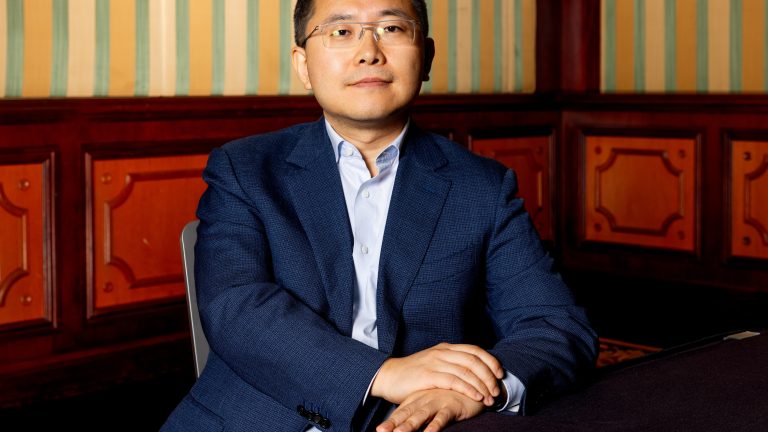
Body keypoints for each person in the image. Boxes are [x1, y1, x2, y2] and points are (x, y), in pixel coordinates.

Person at [162, 0, 597, 431]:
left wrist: (471, 389)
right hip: (256, 418)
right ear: (303, 65)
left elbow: (555, 327)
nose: (369, 50)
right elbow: (235, 307)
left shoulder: (482, 187)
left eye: (391, 28)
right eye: (341, 32)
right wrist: (384, 374)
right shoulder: (245, 168)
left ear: (425, 56)